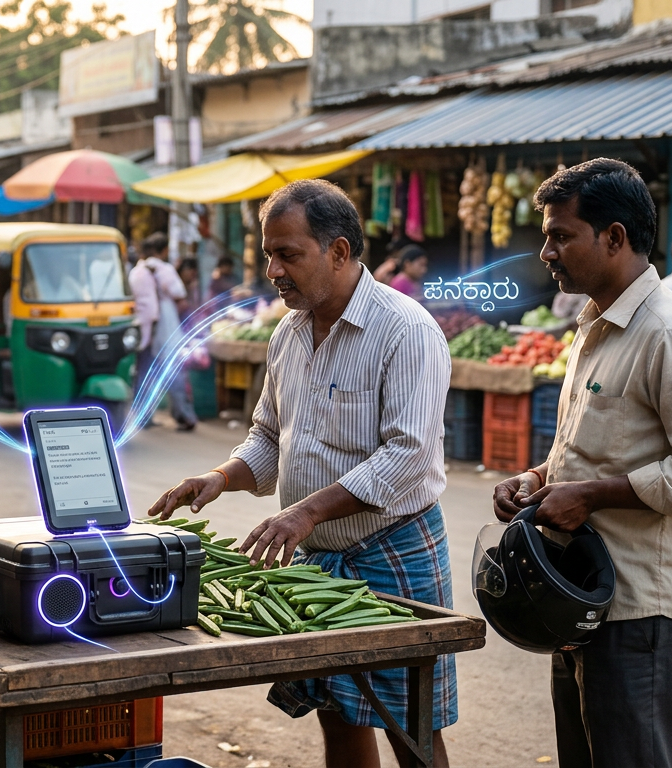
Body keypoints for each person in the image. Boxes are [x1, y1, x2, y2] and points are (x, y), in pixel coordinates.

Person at [150, 179, 455, 768]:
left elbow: (410, 455)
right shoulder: (289, 333)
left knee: (410, 726)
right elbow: (271, 435)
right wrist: (222, 476)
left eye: (288, 254)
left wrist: (308, 510)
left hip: (392, 547)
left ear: (338, 252)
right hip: (321, 558)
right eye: (269, 254)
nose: (273, 269)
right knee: (339, 716)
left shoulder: (406, 331)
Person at [491, 159, 672, 768]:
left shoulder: (670, 333)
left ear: (614, 238)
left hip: (639, 609)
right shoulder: (595, 327)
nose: (546, 251)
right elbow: (593, 447)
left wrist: (593, 496)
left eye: (560, 235)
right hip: (579, 596)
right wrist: (538, 479)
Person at [129, 233, 196, 431]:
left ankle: (143, 417)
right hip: (165, 326)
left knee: (144, 373)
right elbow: (178, 294)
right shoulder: (164, 269)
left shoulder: (136, 271)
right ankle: (183, 415)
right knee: (172, 369)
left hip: (144, 329)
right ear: (164, 250)